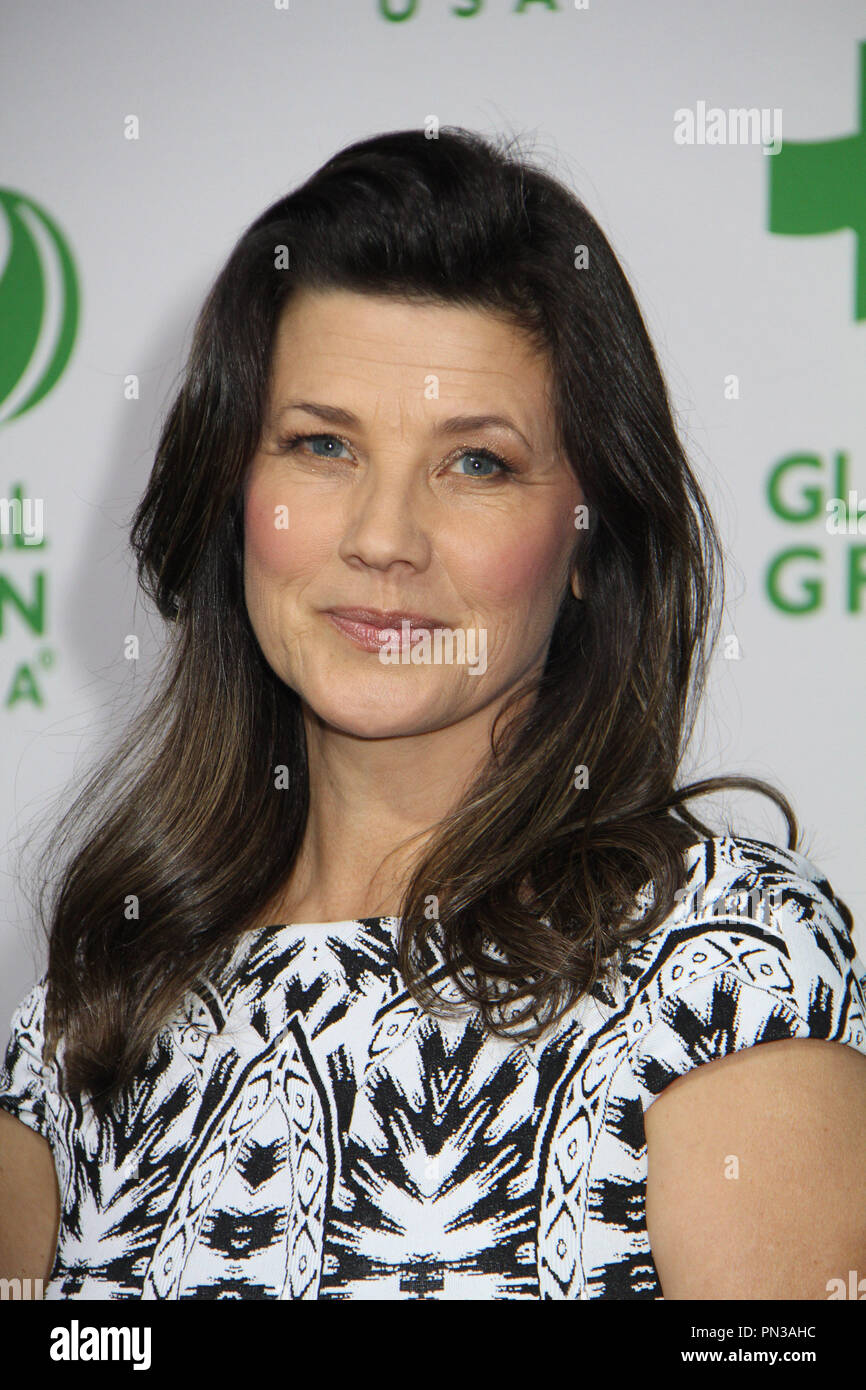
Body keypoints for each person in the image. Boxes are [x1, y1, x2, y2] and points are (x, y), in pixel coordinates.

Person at [1, 126, 865, 1302]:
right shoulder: (90, 1014)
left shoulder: (725, 965)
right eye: (320, 445)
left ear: (584, 540)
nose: (382, 539)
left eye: (475, 465)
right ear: (233, 492)